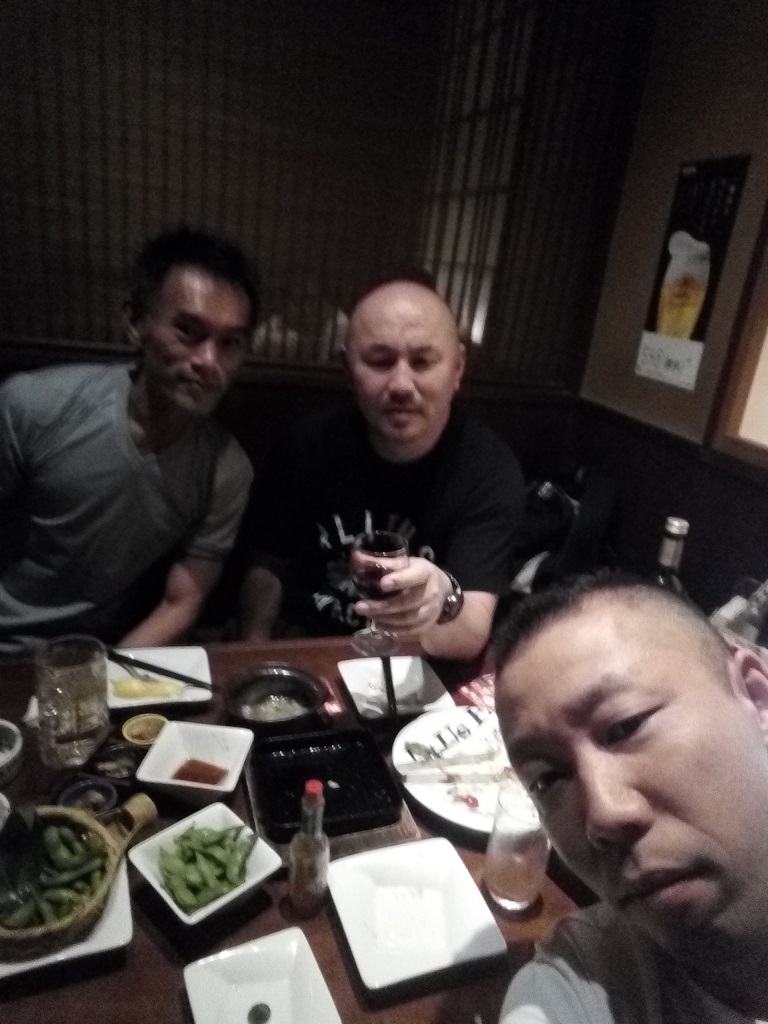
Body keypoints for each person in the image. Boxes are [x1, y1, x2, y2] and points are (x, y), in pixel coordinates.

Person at [493, 573, 768, 1023]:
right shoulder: (580, 981)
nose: (604, 815)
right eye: (547, 779)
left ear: (756, 698)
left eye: (626, 726)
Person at [0, 227, 259, 654]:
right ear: (136, 322)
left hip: (110, 649)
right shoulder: (34, 407)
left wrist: (107, 675)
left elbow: (182, 601)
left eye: (230, 342)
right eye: (188, 331)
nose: (208, 360)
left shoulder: (227, 469)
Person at [239, 278, 524, 660]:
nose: (402, 384)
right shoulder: (306, 446)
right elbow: (268, 564)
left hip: (417, 662)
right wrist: (253, 651)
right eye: (379, 361)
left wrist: (443, 599)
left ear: (457, 368)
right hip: (310, 647)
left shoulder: (488, 469)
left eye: (423, 362)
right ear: (347, 369)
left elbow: (469, 631)